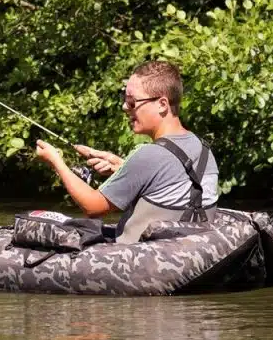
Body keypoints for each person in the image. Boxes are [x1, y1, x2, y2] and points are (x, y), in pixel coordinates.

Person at [36, 60, 219, 244]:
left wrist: (56, 161)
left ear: (162, 104)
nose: (125, 107)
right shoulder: (203, 148)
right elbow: (174, 182)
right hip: (185, 257)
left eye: (132, 102)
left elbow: (93, 207)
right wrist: (122, 167)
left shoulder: (148, 155)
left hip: (136, 261)